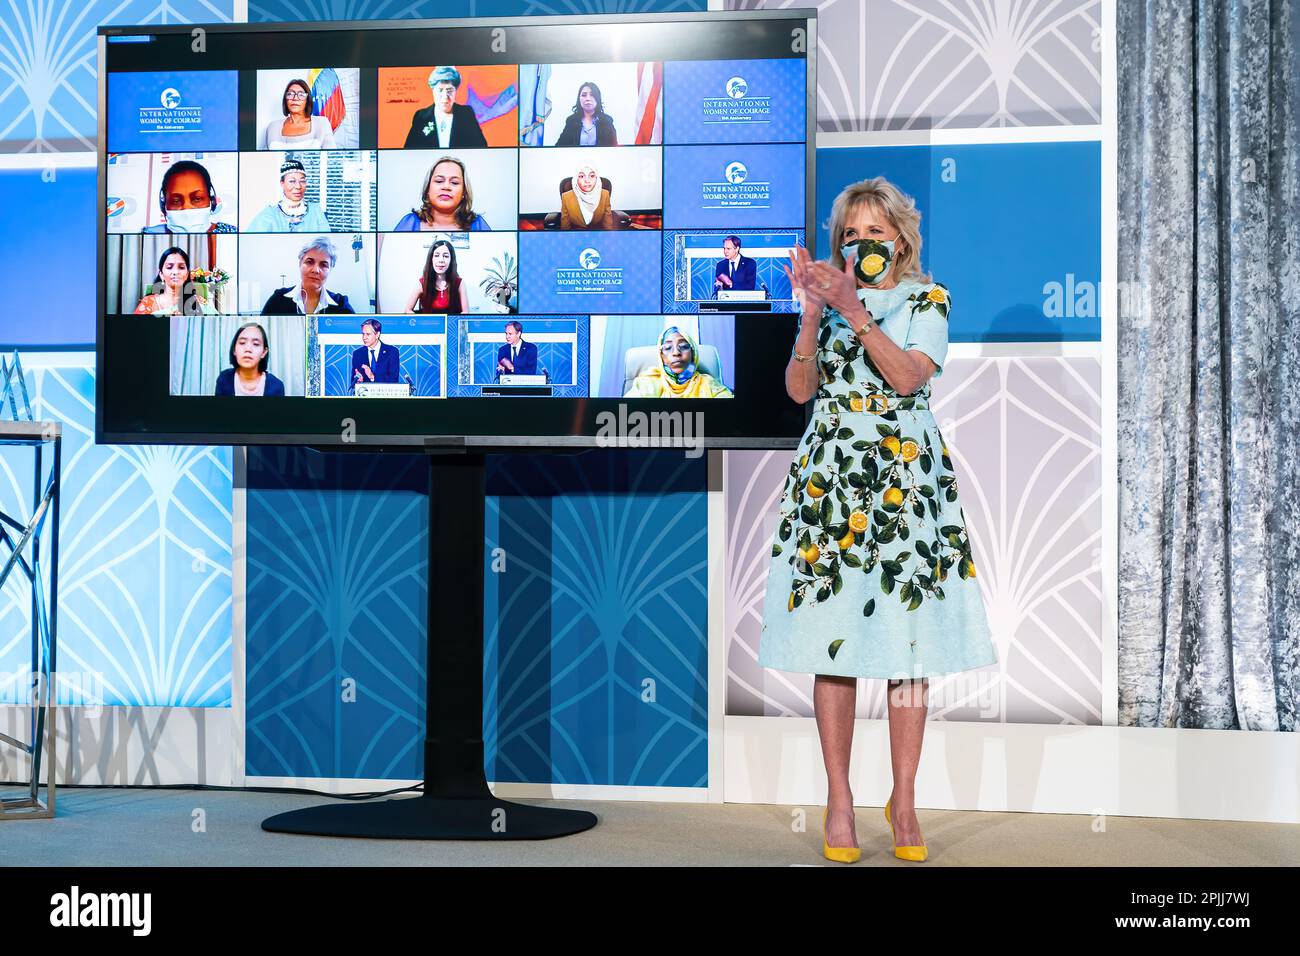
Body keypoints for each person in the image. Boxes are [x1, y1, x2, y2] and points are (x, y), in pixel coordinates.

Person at [757, 176, 996, 864]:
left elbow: (907, 378)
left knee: (907, 644)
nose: (861, 243)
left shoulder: (928, 298)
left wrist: (853, 310)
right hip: (830, 480)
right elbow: (800, 390)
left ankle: (906, 800)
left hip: (903, 480)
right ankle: (838, 801)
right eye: (850, 235)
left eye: (873, 232)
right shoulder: (826, 306)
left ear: (900, 239)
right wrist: (810, 312)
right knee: (831, 639)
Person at [624, 326, 732, 398]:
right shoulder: (648, 383)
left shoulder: (708, 384)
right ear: (661, 356)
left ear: (693, 354)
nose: (676, 352)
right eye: (667, 348)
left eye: (683, 346)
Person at [260, 236, 356, 314]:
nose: (315, 270)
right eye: (309, 262)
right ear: (300, 263)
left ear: (330, 269)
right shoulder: (278, 299)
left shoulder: (341, 305)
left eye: (323, 265)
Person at [393, 157, 490, 231]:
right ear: (428, 189)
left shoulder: (478, 224)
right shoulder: (410, 223)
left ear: (464, 193)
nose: (446, 187)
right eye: (439, 181)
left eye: (454, 182)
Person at [142, 160, 237, 235]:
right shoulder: (147, 235)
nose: (186, 208)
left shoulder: (231, 232)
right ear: (164, 206)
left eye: (197, 199)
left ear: (212, 202)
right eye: (175, 201)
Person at [403, 66, 487, 149]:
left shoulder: (466, 113)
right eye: (440, 90)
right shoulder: (421, 116)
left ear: (455, 91)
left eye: (450, 91)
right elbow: (409, 150)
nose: (445, 97)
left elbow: (481, 147)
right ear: (433, 91)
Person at [247, 159, 332, 233]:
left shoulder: (315, 210)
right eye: (292, 181)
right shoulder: (269, 214)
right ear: (282, 184)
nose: (298, 186)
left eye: (302, 181)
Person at [132, 246, 215, 315]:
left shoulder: (198, 302)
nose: (175, 272)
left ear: (186, 274)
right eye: (169, 267)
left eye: (181, 267)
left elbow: (214, 326)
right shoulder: (148, 303)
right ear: (161, 274)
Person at [258, 78, 337, 149]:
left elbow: (332, 159)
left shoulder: (322, 123)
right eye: (290, 94)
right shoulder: (273, 127)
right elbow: (266, 159)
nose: (295, 98)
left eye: (301, 94)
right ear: (285, 100)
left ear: (307, 100)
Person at [215, 322, 285, 396]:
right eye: (242, 343)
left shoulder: (277, 386)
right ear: (234, 350)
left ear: (264, 352)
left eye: (256, 344)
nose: (248, 349)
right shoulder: (224, 379)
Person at [404, 239, 468, 314]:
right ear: (431, 259)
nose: (441, 260)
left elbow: (465, 313)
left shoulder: (459, 283)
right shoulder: (422, 283)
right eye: (437, 255)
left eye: (446, 256)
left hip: (451, 325)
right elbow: (407, 310)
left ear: (451, 260)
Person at [554, 82, 617, 146]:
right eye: (584, 95)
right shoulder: (571, 121)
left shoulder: (607, 121)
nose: (588, 99)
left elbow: (614, 149)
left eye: (592, 95)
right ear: (579, 99)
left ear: (598, 98)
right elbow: (559, 146)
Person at [559, 163, 616, 230]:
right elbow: (565, 227)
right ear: (576, 179)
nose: (587, 181)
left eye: (592, 176)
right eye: (581, 176)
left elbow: (608, 224)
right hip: (577, 235)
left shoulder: (605, 194)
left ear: (597, 178)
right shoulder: (566, 197)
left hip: (597, 235)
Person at [351, 318, 401, 385]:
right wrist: (357, 381)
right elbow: (353, 381)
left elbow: (393, 380)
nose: (364, 337)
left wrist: (372, 377)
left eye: (368, 334)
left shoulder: (392, 352)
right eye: (363, 334)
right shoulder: (358, 354)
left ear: (377, 334)